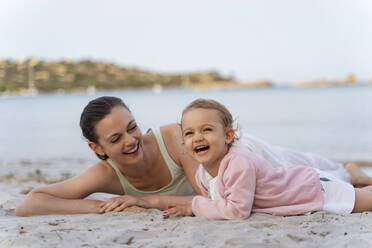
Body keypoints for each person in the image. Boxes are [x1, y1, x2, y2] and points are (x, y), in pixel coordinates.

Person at [15, 96, 372, 217]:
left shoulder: (175, 139)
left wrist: (145, 201)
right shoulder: (104, 176)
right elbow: (30, 204)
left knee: (298, 168)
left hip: (241, 161)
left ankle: (350, 170)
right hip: (237, 183)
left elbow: (210, 196)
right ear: (97, 149)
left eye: (133, 126)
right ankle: (349, 174)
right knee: (318, 182)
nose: (132, 140)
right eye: (116, 138)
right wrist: (112, 205)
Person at [166, 99, 372, 220]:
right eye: (189, 133)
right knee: (363, 194)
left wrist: (194, 207)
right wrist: (199, 207)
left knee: (367, 201)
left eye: (207, 130)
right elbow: (217, 203)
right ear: (183, 141)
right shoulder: (202, 173)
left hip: (310, 189)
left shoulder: (238, 161)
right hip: (302, 188)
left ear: (228, 136)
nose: (198, 137)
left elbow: (237, 211)